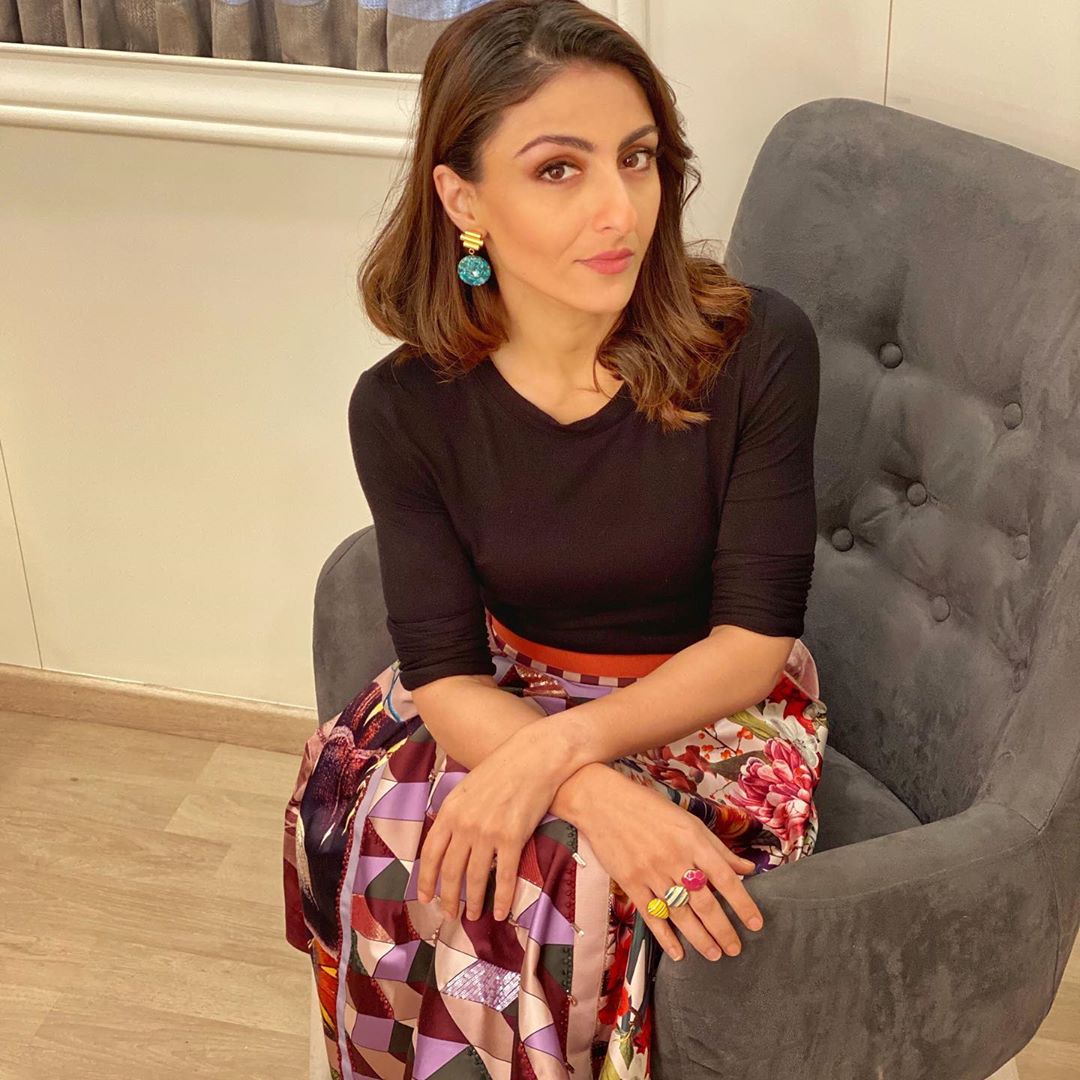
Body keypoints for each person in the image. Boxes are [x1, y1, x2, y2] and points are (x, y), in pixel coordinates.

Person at [282, 1, 829, 1076]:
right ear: (462, 198)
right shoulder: (402, 407)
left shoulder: (759, 346)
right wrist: (581, 780)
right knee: (378, 825)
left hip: (714, 704)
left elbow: (752, 643)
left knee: (566, 889)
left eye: (638, 158)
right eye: (558, 170)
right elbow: (444, 673)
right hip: (500, 691)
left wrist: (557, 759)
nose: (619, 209)